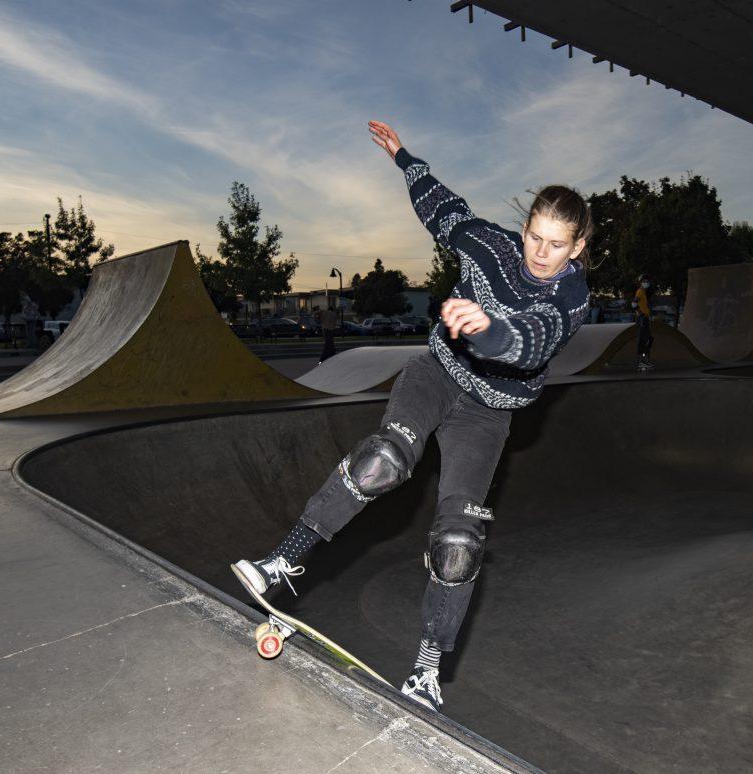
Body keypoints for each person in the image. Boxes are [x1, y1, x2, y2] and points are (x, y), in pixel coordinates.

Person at [232, 120, 592, 713]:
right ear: (523, 228)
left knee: (459, 542)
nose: (540, 255)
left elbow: (533, 339)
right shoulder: (492, 246)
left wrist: (489, 327)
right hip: (435, 375)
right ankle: (282, 560)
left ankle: (427, 670)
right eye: (533, 237)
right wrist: (404, 158)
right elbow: (444, 209)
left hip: (488, 414)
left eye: (556, 245)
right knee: (384, 461)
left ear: (576, 247)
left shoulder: (570, 295)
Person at [632, 274, 655, 370]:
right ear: (641, 282)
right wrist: (641, 314)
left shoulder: (643, 292)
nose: (646, 283)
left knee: (646, 340)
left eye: (647, 281)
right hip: (642, 319)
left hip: (645, 319)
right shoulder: (640, 291)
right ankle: (642, 362)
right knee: (646, 340)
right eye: (644, 281)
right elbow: (634, 304)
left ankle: (643, 362)